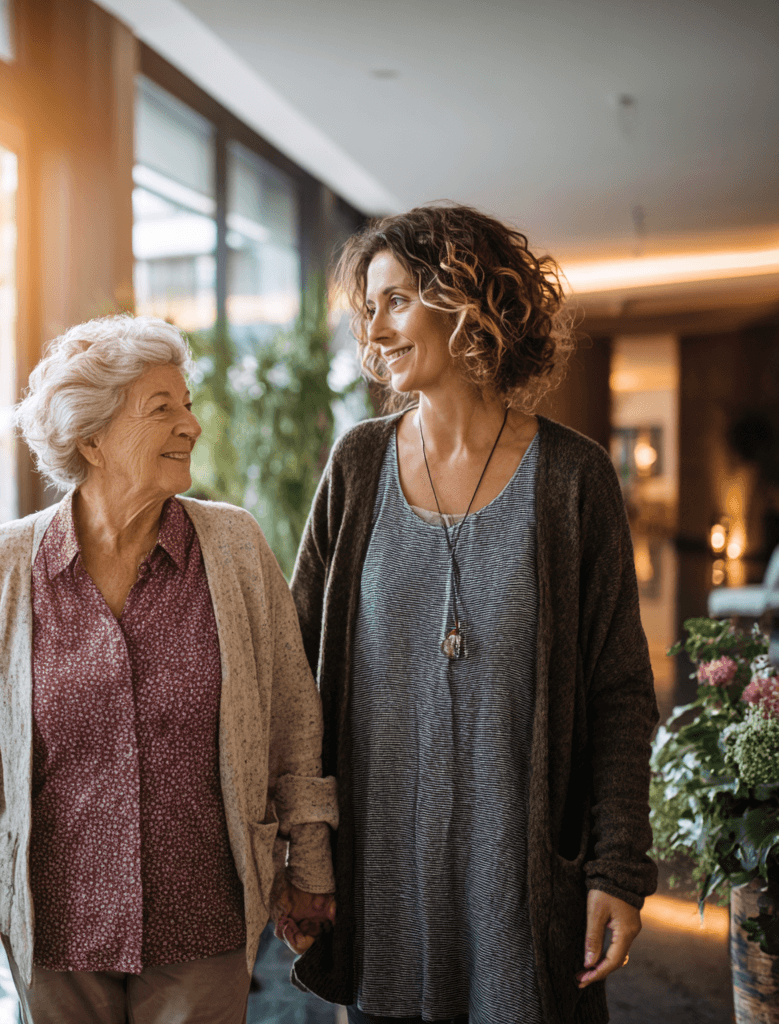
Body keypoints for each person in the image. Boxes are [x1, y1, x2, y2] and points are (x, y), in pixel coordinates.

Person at [288, 203, 658, 1024]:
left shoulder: (572, 479)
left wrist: (617, 869)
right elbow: (294, 673)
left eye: (396, 301)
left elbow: (620, 692)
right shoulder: (356, 465)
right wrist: (302, 856)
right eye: (368, 309)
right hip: (381, 883)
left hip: (520, 886)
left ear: (468, 302)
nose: (374, 331)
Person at [0, 314, 337, 1024]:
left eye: (188, 404)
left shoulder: (232, 547)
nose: (193, 425)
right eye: (162, 408)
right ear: (92, 438)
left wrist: (310, 864)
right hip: (55, 926)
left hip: (203, 914)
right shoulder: (4, 567)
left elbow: (295, 724)